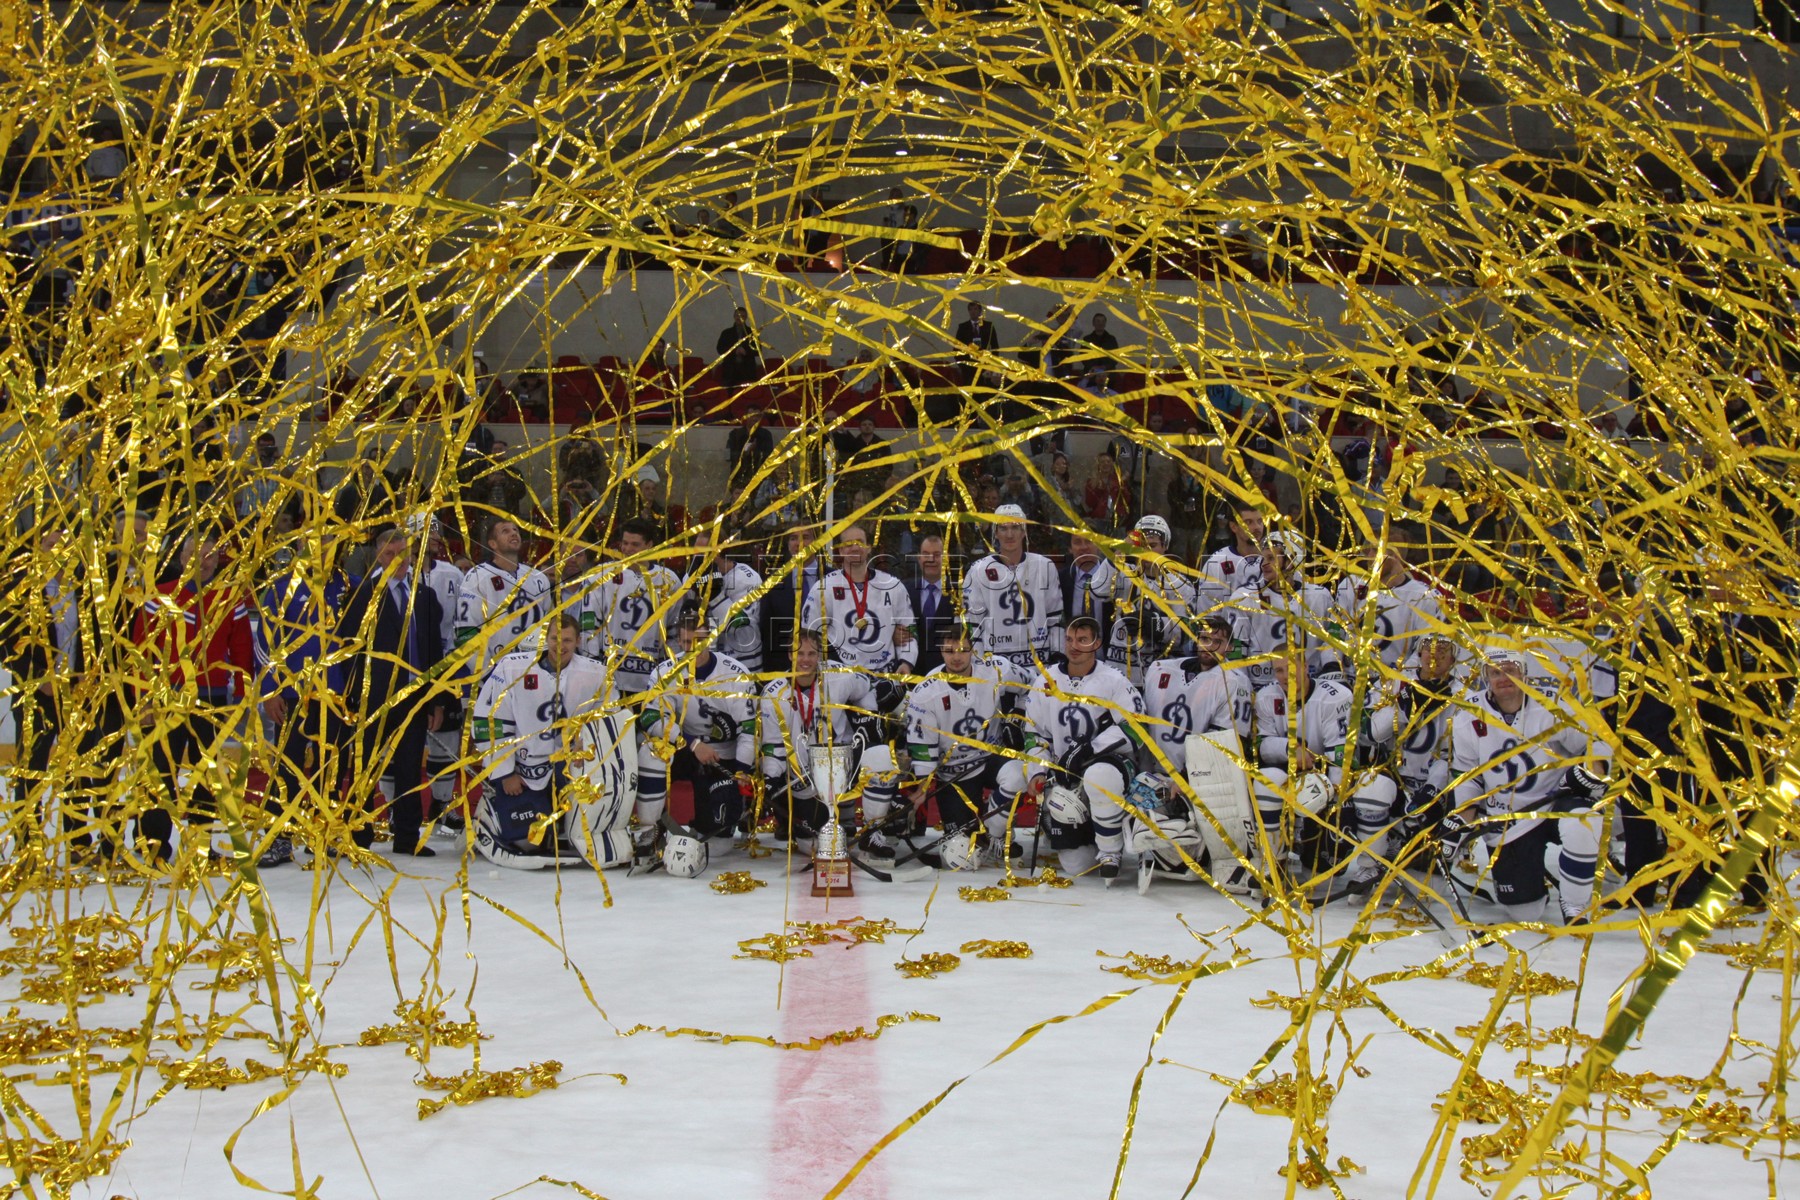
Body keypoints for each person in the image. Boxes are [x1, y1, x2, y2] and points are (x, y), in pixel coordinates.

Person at [1444, 648, 1611, 923]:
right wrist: (1462, 818)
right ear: (1486, 678)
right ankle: (1532, 878)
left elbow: (1594, 742)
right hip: (1509, 819)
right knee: (1525, 912)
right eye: (1495, 673)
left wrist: (1594, 771)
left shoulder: (1553, 706)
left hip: (1555, 802)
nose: (1503, 678)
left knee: (1584, 821)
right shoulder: (1469, 715)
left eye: (1511, 670)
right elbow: (1468, 776)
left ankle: (1575, 904)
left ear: (1525, 673)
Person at [131, 532, 255, 866]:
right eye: (196, 554)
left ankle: (200, 846)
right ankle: (154, 845)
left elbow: (242, 648)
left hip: (212, 699)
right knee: (160, 773)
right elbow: (141, 652)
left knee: (207, 776)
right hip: (167, 700)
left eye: (210, 555)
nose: (203, 561)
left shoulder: (231, 599)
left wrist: (242, 693)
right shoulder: (159, 598)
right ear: (182, 557)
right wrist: (143, 698)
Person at [995, 616, 1146, 881]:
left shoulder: (1114, 680)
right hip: (1063, 773)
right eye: (1070, 639)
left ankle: (1111, 851)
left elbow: (1137, 728)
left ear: (1096, 643)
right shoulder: (1046, 680)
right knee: (1078, 866)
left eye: (1082, 640)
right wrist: (1038, 771)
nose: (1074, 646)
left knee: (1099, 776)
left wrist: (1090, 749)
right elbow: (1034, 735)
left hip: (1109, 765)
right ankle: (1081, 830)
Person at [338, 528, 450, 857]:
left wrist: (436, 700)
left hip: (414, 697)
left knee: (409, 767)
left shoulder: (424, 595)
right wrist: (352, 696)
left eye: (403, 554)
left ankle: (407, 836)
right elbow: (350, 650)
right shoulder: (362, 595)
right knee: (364, 768)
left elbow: (433, 650)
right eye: (390, 554)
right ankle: (358, 835)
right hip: (372, 698)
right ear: (378, 555)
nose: (398, 561)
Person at [469, 614, 613, 866]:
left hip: (572, 767)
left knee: (584, 834)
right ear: (545, 638)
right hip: (523, 771)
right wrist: (504, 773)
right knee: (528, 842)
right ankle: (491, 811)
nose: (561, 645)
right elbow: (487, 722)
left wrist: (589, 740)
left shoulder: (596, 673)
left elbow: (612, 716)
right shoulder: (511, 669)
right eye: (555, 638)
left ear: (578, 641)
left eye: (567, 640)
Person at [894, 624, 1033, 869]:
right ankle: (979, 826)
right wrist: (922, 788)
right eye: (949, 651)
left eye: (962, 650)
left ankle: (993, 833)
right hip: (953, 773)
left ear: (972, 650)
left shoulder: (995, 670)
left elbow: (1033, 683)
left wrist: (1018, 716)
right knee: (962, 859)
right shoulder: (926, 692)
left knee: (1019, 774)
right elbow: (923, 747)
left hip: (990, 758)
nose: (956, 657)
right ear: (941, 651)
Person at [1131, 616, 1256, 885]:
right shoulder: (1159, 669)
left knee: (1183, 849)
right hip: (1156, 773)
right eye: (1204, 639)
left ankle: (1212, 853)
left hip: (1203, 778)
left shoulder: (1234, 681)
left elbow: (1223, 741)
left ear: (1229, 646)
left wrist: (1185, 777)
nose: (1208, 646)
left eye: (1217, 641)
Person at [254, 537, 356, 868]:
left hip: (336, 693)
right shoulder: (281, 587)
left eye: (329, 541)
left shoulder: (349, 586)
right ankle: (279, 839)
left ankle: (324, 833)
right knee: (287, 767)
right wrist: (270, 691)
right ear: (300, 545)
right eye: (315, 541)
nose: (322, 548)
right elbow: (265, 642)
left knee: (331, 765)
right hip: (293, 694)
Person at [635, 606, 760, 864]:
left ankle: (720, 818)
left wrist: (741, 770)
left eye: (698, 642)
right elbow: (649, 718)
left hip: (723, 758)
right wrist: (692, 745)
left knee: (719, 843)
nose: (691, 648)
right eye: (685, 642)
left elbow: (749, 730)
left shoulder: (736, 674)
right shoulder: (664, 673)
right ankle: (650, 830)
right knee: (651, 752)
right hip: (684, 750)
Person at [757, 629, 899, 846]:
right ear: (789, 655)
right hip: (803, 778)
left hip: (842, 761)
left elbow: (868, 688)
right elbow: (773, 747)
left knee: (881, 755)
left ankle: (871, 834)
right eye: (799, 653)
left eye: (811, 654)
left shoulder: (840, 676)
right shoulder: (772, 694)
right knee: (815, 845)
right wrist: (769, 782)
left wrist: (867, 718)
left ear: (820, 655)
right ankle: (836, 817)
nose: (805, 660)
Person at [577, 517, 682, 698]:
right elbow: (588, 624)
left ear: (649, 545)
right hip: (610, 677)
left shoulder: (669, 580)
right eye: (625, 543)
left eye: (635, 544)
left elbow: (674, 629)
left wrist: (670, 669)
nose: (628, 549)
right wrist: (592, 666)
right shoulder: (600, 576)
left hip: (652, 678)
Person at [1088, 514, 1196, 686]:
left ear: (1165, 546)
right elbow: (1097, 591)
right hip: (1122, 672)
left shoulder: (1180, 584)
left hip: (1163, 675)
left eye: (1153, 546)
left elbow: (1187, 632)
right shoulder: (1124, 574)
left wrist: (1155, 624)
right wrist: (1121, 550)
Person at [1225, 530, 1336, 693]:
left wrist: (1330, 670)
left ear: (1292, 560)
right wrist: (1241, 687)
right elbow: (1235, 647)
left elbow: (1333, 640)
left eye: (1271, 558)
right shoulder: (1245, 597)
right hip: (1260, 686)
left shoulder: (1320, 596)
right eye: (1263, 558)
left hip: (1309, 685)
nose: (1263, 564)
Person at [802, 523, 917, 677]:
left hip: (885, 676)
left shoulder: (892, 585)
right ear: (840, 551)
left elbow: (910, 630)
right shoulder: (823, 587)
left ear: (869, 548)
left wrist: (906, 663)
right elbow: (809, 636)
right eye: (848, 544)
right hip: (840, 677)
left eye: (860, 542)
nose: (855, 548)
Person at [1334, 528, 1445, 681]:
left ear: (1395, 555)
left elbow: (1423, 651)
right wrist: (1332, 668)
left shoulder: (1424, 597)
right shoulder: (1351, 584)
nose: (1369, 556)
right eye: (1368, 550)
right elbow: (1334, 632)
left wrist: (1397, 682)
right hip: (1347, 680)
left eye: (1375, 551)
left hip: (1393, 684)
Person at [962, 504, 1064, 668]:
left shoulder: (1045, 566)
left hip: (1040, 665)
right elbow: (973, 625)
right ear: (996, 532)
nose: (1009, 534)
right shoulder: (978, 570)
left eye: (1015, 527)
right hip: (996, 667)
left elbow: (1056, 619)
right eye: (1003, 528)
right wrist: (979, 665)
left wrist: (1058, 657)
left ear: (1024, 531)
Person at [454, 516, 553, 682]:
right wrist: (486, 674)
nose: (513, 534)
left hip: (537, 672)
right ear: (492, 543)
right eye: (505, 531)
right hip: (496, 673)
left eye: (515, 530)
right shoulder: (477, 577)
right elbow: (466, 630)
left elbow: (550, 624)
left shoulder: (538, 578)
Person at [683, 526, 764, 673]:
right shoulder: (691, 578)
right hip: (708, 666)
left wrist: (715, 597)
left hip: (743, 665)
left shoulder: (747, 579)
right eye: (695, 553)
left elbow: (741, 627)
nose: (698, 559)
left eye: (704, 553)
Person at [758, 525, 821, 677]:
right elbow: (767, 634)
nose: (799, 543)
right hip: (784, 672)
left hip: (830, 670)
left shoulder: (835, 578)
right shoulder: (773, 583)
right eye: (793, 538)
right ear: (788, 544)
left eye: (805, 537)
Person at [1196, 500, 1266, 615]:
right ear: (1234, 527)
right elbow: (1207, 612)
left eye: (1260, 521)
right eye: (1248, 522)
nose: (1257, 527)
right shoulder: (1217, 562)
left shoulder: (1277, 559)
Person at [905, 533, 955, 677]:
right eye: (926, 554)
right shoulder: (904, 590)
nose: (931, 559)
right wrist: (894, 633)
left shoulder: (959, 593)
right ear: (919, 558)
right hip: (911, 673)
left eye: (937, 554)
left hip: (947, 674)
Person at [1060, 532, 1112, 632]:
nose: (1083, 547)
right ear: (1070, 548)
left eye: (1088, 541)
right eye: (1077, 542)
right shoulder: (1061, 579)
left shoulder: (1113, 576)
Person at [726, 407, 775, 494]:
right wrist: (745, 452)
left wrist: (755, 451)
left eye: (758, 416)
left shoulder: (766, 434)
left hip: (759, 477)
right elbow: (728, 455)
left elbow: (769, 457)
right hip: (739, 476)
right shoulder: (735, 434)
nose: (755, 419)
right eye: (752, 416)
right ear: (746, 417)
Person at [715, 306, 763, 391]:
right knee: (729, 394)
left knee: (747, 394)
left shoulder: (752, 333)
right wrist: (734, 351)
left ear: (746, 318)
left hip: (747, 369)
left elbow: (758, 350)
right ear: (734, 316)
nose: (739, 318)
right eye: (738, 316)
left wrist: (746, 352)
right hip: (730, 370)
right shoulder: (726, 333)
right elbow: (720, 349)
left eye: (742, 316)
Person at [953, 301, 999, 388]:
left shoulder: (988, 326)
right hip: (968, 367)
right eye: (970, 309)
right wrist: (963, 366)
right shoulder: (963, 327)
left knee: (984, 390)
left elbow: (995, 347)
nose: (973, 312)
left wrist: (991, 365)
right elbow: (956, 348)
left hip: (985, 366)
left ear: (980, 311)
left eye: (975, 309)